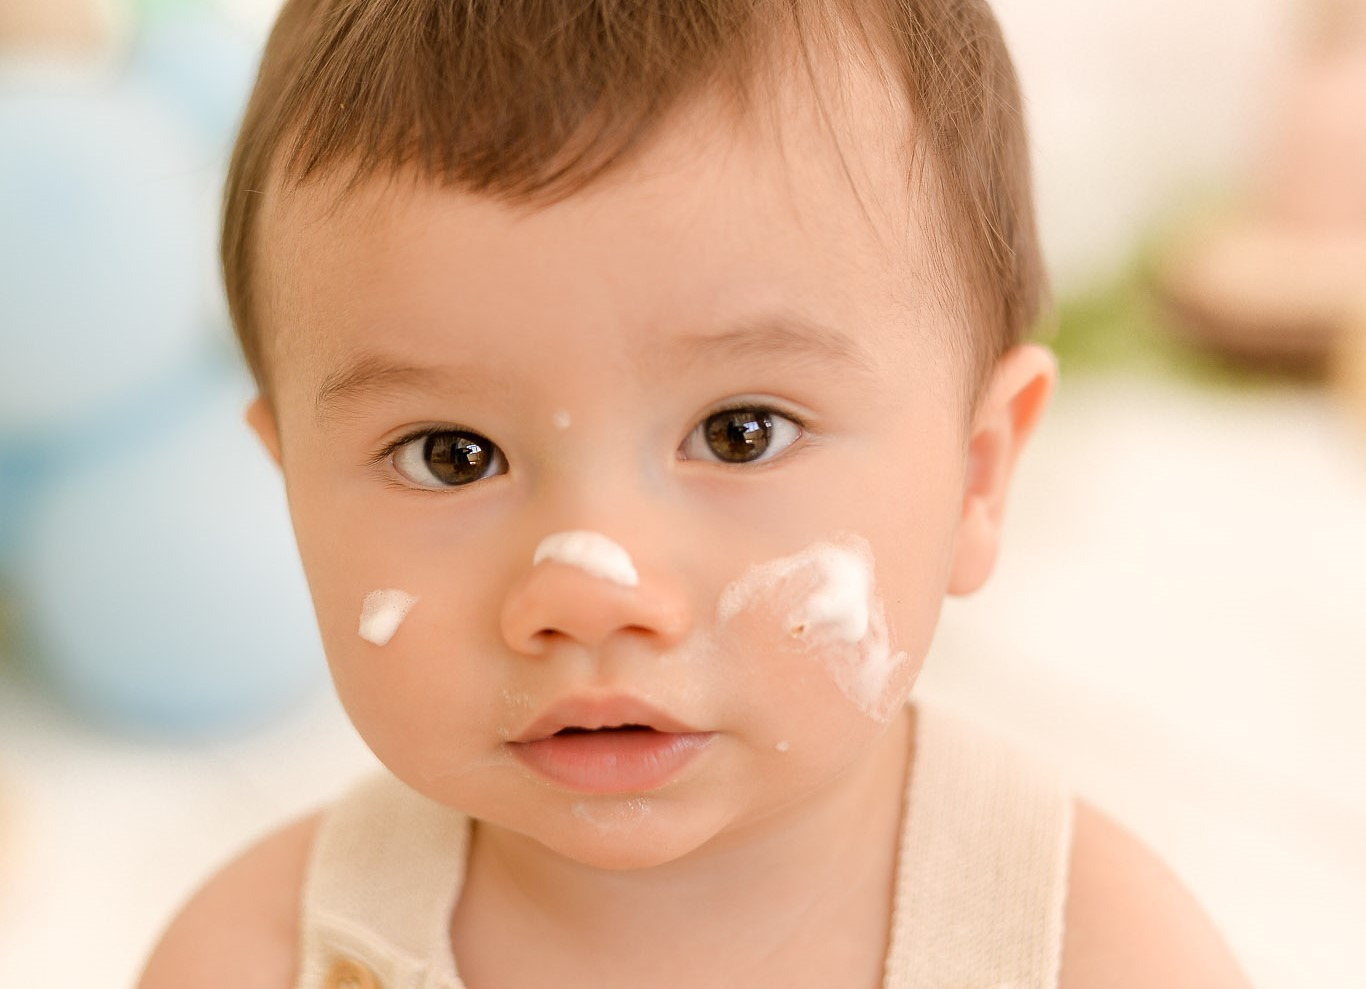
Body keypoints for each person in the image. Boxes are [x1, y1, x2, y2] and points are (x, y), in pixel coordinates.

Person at [138, 1, 1253, 986]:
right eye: (451, 454)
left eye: (739, 433)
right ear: (289, 488)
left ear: (975, 474)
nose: (588, 587)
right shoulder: (266, 957)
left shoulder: (1087, 952)